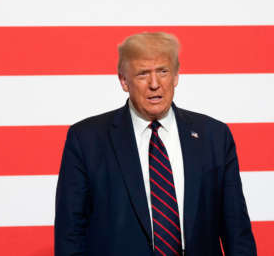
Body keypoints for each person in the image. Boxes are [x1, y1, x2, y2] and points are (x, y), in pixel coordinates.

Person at [54, 32, 257, 256]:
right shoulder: (86, 140)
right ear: (123, 80)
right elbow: (70, 235)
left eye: (163, 71)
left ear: (176, 76)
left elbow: (237, 232)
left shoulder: (214, 136)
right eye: (142, 74)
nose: (154, 84)